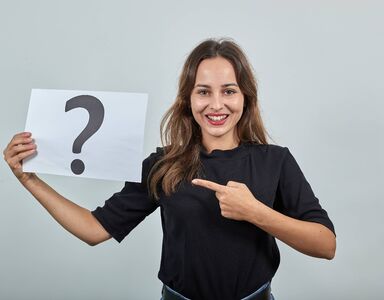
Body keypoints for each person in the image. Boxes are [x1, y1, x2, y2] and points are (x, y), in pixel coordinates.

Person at [3, 38, 336, 300]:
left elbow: (326, 245)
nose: (216, 104)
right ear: (188, 101)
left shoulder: (275, 161)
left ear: (245, 98)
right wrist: (29, 179)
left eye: (229, 91)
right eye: (203, 91)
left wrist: (255, 212)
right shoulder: (164, 165)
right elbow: (93, 229)